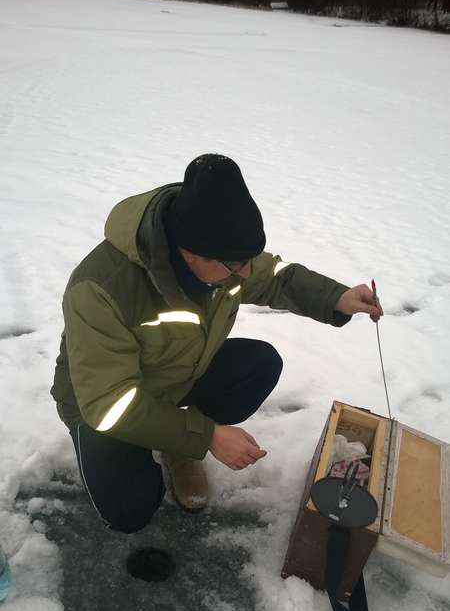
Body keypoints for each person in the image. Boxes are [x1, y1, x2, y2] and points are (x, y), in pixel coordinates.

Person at [51, 154, 382, 580]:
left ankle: (175, 444)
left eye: (248, 259)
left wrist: (336, 297)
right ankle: (163, 445)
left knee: (257, 365)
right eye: (234, 266)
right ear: (188, 253)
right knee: (131, 511)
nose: (245, 273)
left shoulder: (221, 252)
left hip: (173, 379)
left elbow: (276, 276)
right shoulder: (100, 288)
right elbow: (109, 402)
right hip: (102, 406)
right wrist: (207, 435)